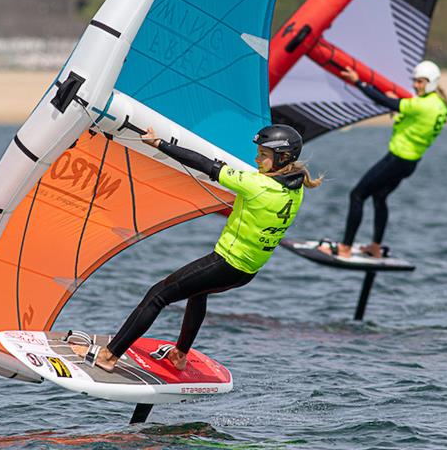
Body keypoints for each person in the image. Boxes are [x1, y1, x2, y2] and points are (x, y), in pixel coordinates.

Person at [71, 124, 322, 372]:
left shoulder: (256, 185)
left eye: (263, 156)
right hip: (247, 271)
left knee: (157, 294)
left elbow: (204, 165)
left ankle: (108, 356)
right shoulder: (295, 188)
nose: (256, 159)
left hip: (225, 263)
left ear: (283, 158)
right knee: (198, 292)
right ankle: (180, 354)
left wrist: (159, 144)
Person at [319, 60, 447, 259]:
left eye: (421, 82)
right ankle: (375, 247)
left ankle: (345, 248)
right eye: (415, 81)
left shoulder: (422, 105)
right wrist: (398, 110)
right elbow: (413, 121)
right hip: (410, 163)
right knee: (379, 197)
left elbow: (386, 102)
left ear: (431, 82)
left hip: (396, 160)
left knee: (357, 195)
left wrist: (359, 82)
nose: (416, 86)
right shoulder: (441, 105)